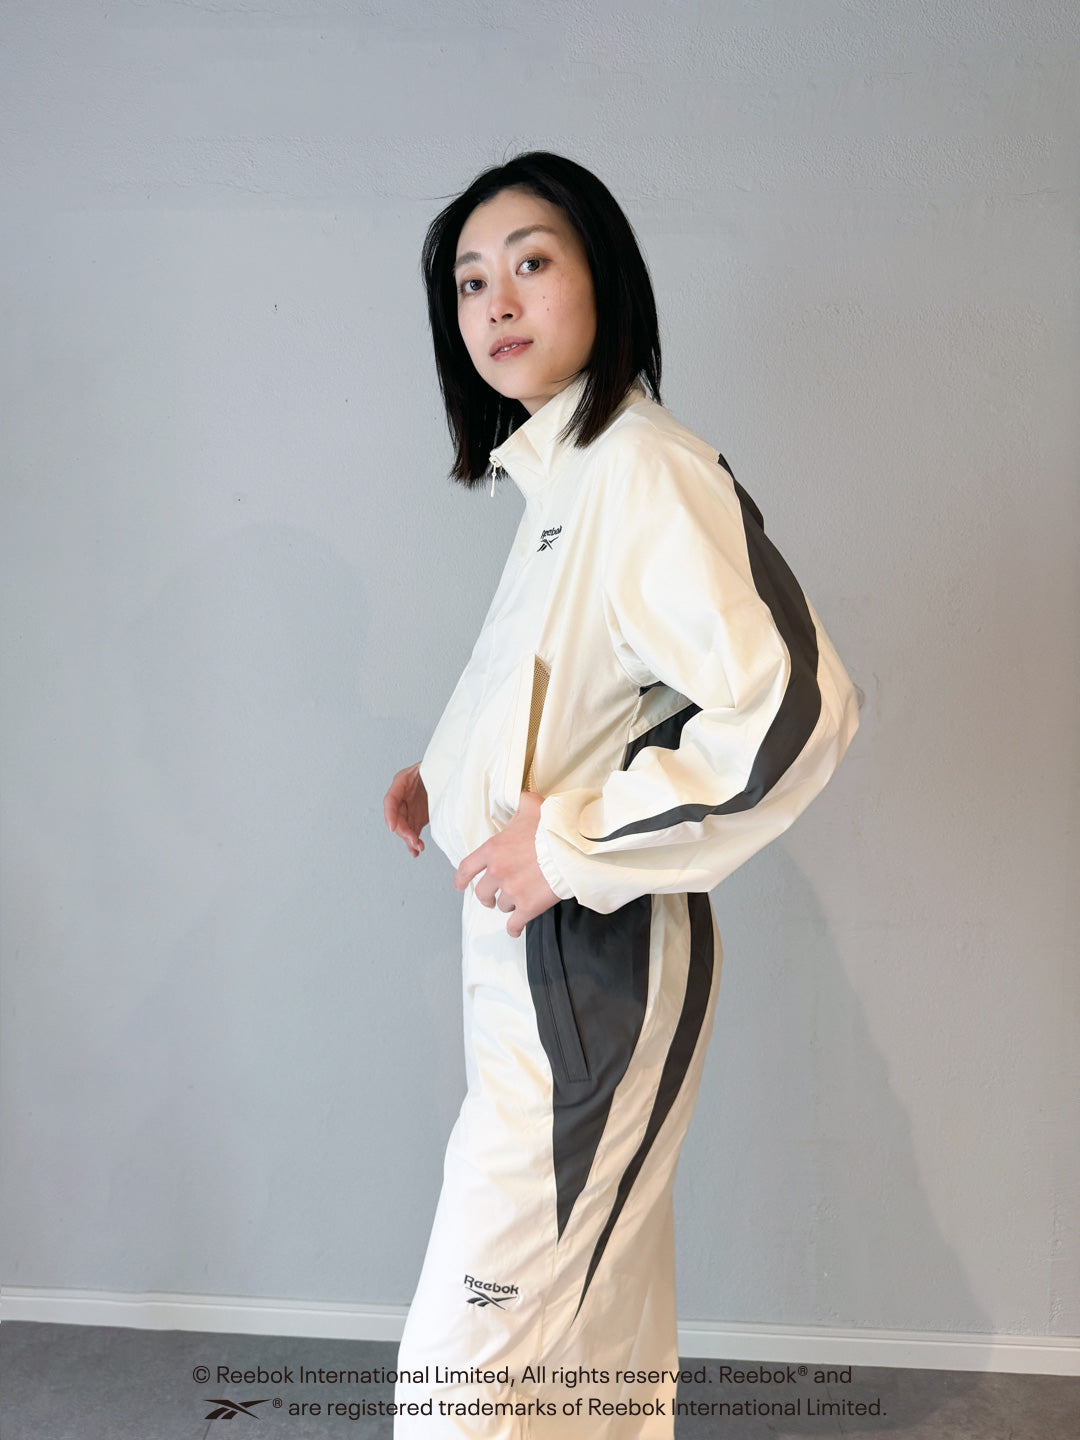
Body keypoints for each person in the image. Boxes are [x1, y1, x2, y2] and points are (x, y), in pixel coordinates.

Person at [383, 151, 859, 1439]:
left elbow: (796, 707)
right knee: (593, 1357)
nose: (495, 301)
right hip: (538, 965)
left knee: (464, 1377)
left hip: (590, 965)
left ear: (606, 278)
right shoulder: (565, 478)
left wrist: (574, 842)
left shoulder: (641, 468)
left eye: (531, 262)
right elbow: (585, 689)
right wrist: (447, 778)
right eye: (469, 282)